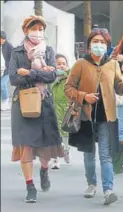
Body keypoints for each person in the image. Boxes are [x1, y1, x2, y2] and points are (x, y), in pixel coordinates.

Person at [64, 29, 123, 205]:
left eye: (103, 42)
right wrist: (84, 96)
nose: (99, 45)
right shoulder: (80, 64)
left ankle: (108, 190)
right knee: (89, 153)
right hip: (86, 116)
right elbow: (68, 88)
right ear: (89, 45)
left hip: (107, 116)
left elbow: (119, 87)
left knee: (105, 154)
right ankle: (91, 184)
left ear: (107, 45)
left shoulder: (112, 64)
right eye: (96, 41)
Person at [9, 15, 64, 203]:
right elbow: (13, 79)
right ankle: (30, 185)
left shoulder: (48, 50)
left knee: (46, 144)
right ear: (26, 30)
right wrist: (40, 73)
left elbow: (52, 76)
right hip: (23, 102)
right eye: (34, 29)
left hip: (43, 100)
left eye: (41, 29)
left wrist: (30, 72)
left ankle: (44, 170)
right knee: (26, 145)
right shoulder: (16, 52)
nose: (37, 32)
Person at [50, 54, 71, 169]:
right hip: (52, 108)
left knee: (65, 134)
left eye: (64, 64)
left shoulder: (70, 76)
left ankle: (66, 150)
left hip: (66, 108)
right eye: (59, 64)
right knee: (53, 135)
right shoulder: (50, 77)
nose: (61, 66)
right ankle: (55, 159)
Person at [1, 30, 13, 110]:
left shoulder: (9, 46)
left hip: (6, 70)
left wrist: (7, 66)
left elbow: (13, 58)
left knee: (2, 85)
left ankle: (6, 101)